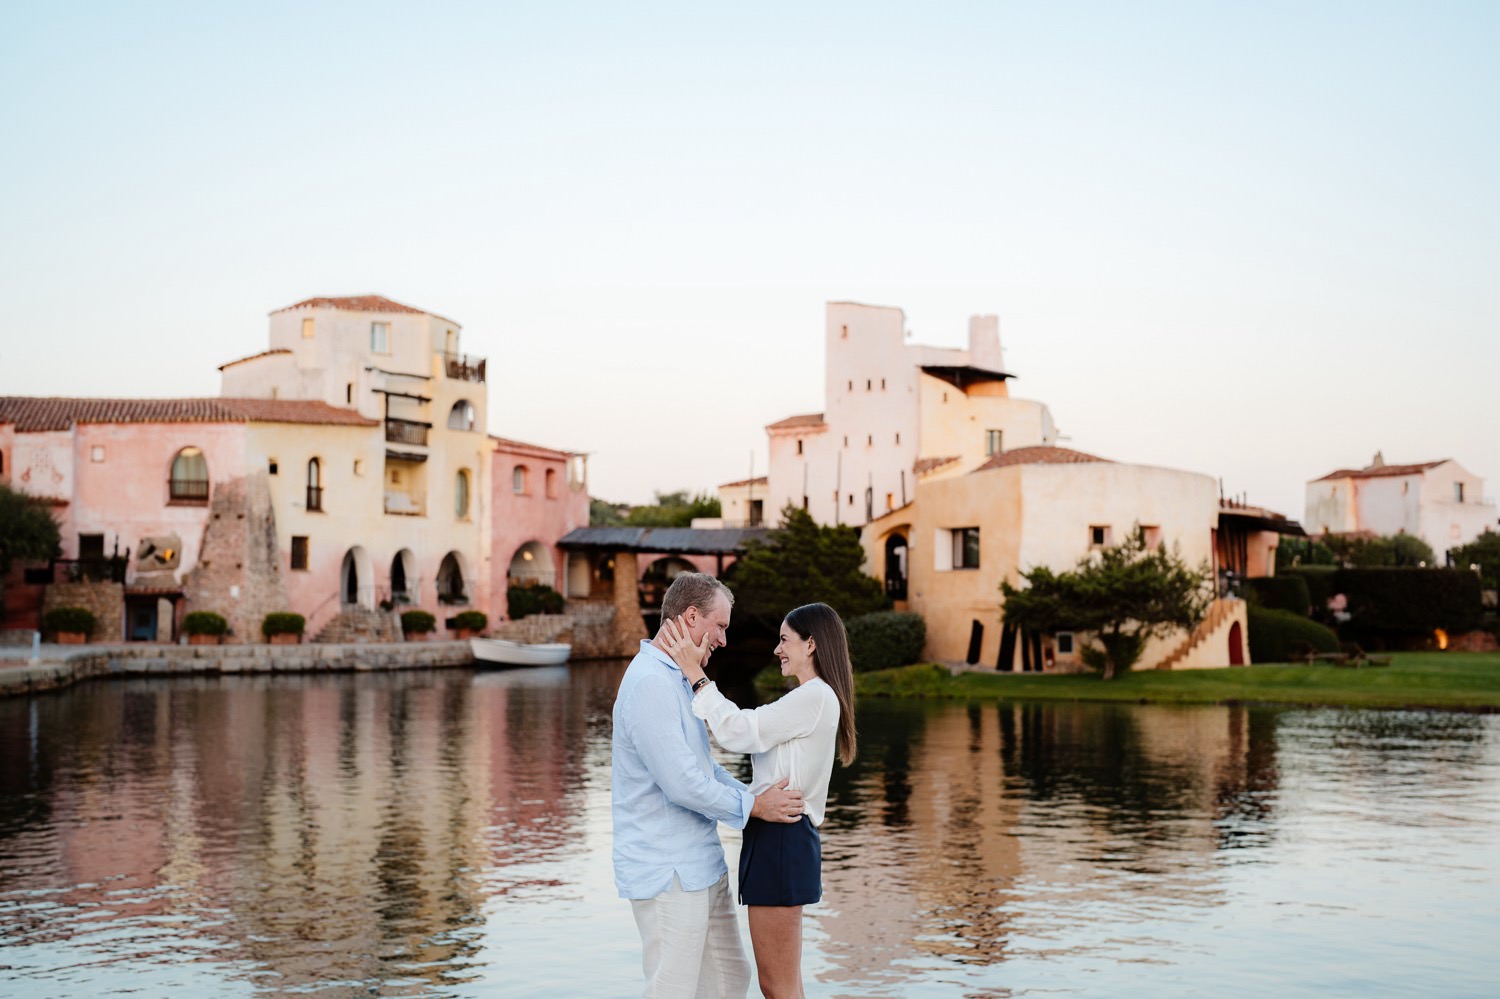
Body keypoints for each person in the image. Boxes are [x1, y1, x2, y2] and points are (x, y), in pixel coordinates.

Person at [612, 571, 806, 999]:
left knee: (729, 980)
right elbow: (682, 785)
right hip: (668, 872)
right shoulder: (651, 683)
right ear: (692, 616)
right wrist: (754, 809)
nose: (723, 639)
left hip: (701, 865)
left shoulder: (679, 679)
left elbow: (703, 769)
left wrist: (755, 796)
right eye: (719, 626)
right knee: (673, 989)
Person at [660, 602, 858, 999]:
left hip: (782, 839)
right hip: (777, 838)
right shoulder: (809, 697)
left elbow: (739, 731)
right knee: (784, 984)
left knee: (777, 986)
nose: (776, 649)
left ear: (812, 644)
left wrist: (695, 675)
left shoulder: (815, 697)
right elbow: (749, 732)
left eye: (784, 640)